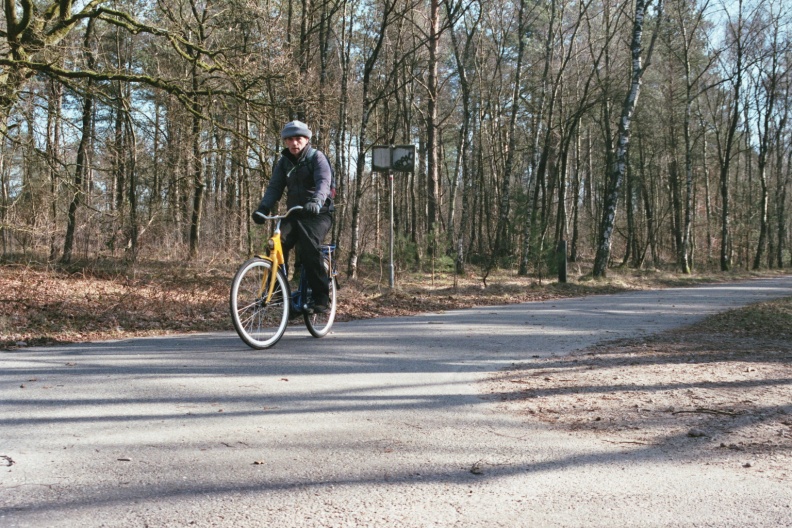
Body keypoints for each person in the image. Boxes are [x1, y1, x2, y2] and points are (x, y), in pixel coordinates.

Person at [252, 120, 334, 313]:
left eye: (298, 139)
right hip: (294, 213)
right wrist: (263, 208)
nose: (294, 143)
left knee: (308, 249)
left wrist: (316, 201)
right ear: (285, 142)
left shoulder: (317, 158)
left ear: (306, 140)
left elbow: (324, 182)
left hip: (318, 213)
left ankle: (321, 298)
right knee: (275, 244)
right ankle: (280, 295)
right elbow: (274, 188)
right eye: (290, 139)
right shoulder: (284, 163)